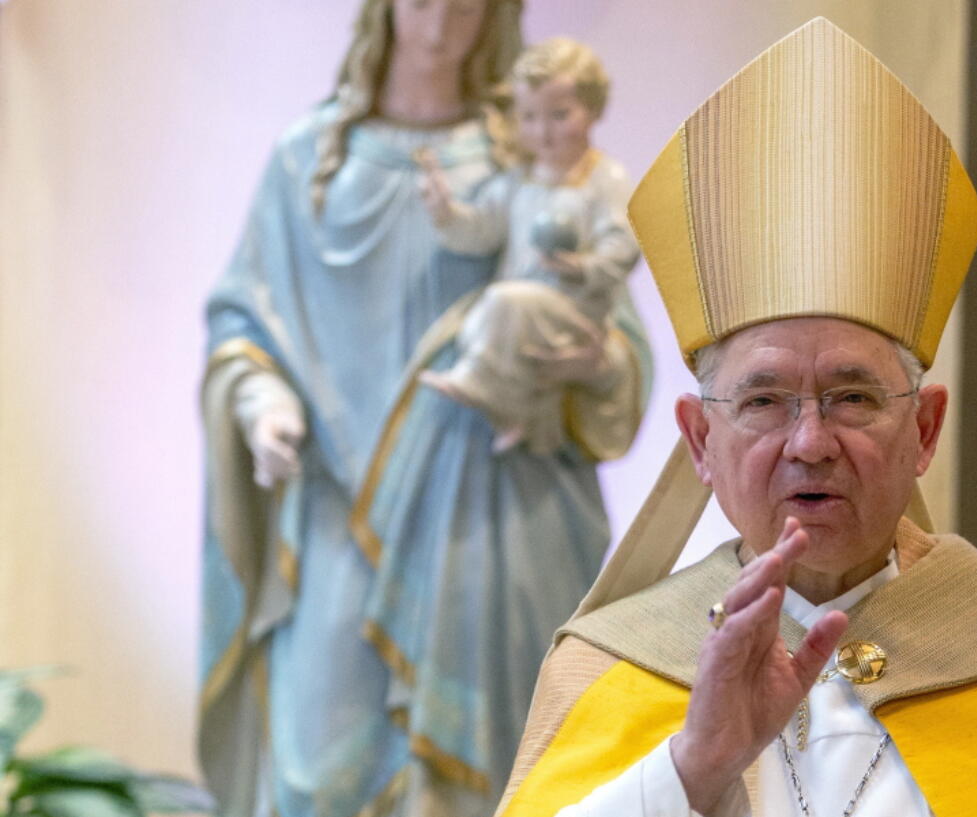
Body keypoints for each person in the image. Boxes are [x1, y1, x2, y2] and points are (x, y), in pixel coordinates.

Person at [495, 18, 977, 817]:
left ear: (923, 430)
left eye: (853, 397)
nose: (811, 443)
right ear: (699, 439)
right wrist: (692, 767)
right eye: (762, 402)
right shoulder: (609, 664)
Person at [199, 2, 650, 816]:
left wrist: (598, 362)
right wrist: (262, 400)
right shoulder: (310, 161)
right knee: (320, 766)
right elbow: (242, 316)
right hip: (341, 506)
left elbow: (604, 317)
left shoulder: (530, 150)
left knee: (506, 765)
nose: (442, 17)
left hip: (491, 514)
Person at [418, 37, 639, 455]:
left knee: (503, 302)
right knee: (486, 314)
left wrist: (583, 267)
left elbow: (624, 243)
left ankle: (478, 383)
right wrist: (445, 211)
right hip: (520, 310)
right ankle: (515, 412)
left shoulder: (603, 179)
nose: (543, 131)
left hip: (574, 312)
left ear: (593, 110)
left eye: (559, 115)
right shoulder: (517, 180)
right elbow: (481, 229)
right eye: (529, 117)